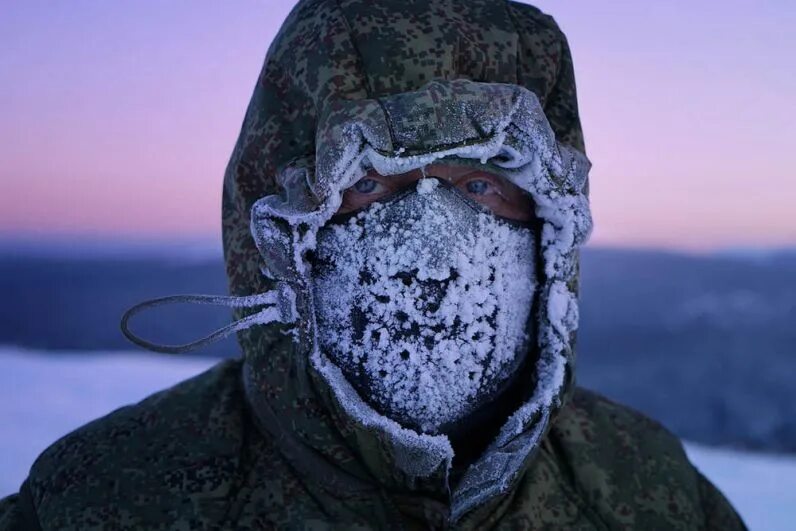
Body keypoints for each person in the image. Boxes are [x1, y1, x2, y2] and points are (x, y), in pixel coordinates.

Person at [0, 0, 747, 529]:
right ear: (286, 239)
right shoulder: (111, 496)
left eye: (481, 184)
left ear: (551, 226)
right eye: (368, 183)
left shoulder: (649, 491)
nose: (432, 242)